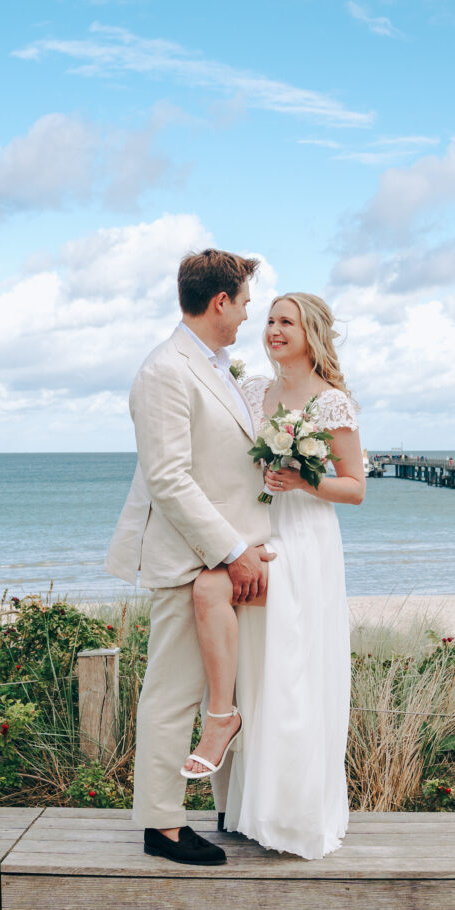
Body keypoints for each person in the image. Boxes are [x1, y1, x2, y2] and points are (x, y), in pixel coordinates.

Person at [104, 249, 275, 867]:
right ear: (220, 301)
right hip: (189, 559)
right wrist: (231, 552)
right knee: (174, 695)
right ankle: (163, 826)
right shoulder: (165, 371)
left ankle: (230, 811)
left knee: (227, 689)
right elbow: (170, 479)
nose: (249, 315)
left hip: (226, 560)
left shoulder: (214, 366)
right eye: (246, 303)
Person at [224, 292, 364, 859]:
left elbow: (354, 488)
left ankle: (297, 815)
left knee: (296, 666)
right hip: (257, 530)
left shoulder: (333, 403)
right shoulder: (254, 390)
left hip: (306, 538)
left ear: (312, 333)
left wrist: (303, 479)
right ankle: (254, 810)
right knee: (257, 667)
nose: (274, 330)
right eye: (270, 320)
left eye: (287, 322)